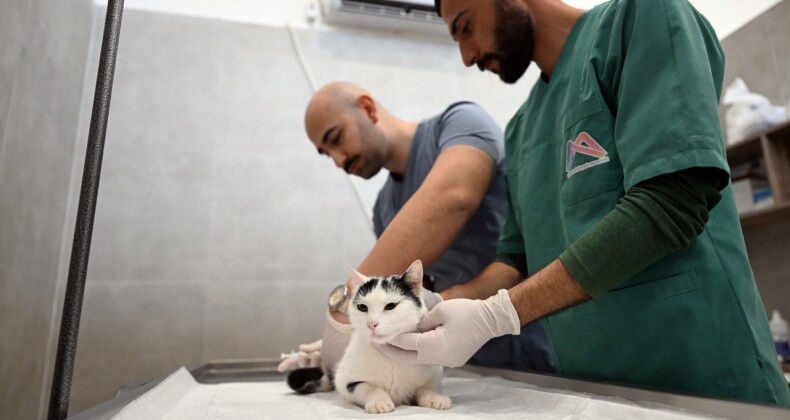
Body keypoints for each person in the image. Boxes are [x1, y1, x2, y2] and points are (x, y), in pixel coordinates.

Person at [379, 0, 790, 406]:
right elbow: (514, 258)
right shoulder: (522, 130)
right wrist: (439, 304)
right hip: (593, 394)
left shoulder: (641, 18)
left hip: (707, 379)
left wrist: (500, 315)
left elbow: (672, 200)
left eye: (465, 27)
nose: (467, 57)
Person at [278, 81, 554, 375]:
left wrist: (344, 309)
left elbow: (454, 198)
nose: (338, 160)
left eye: (336, 138)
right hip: (466, 363)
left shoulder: (460, 124)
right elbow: (407, 301)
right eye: (326, 153)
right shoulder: (384, 209)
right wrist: (357, 337)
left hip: (535, 339)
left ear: (368, 109)